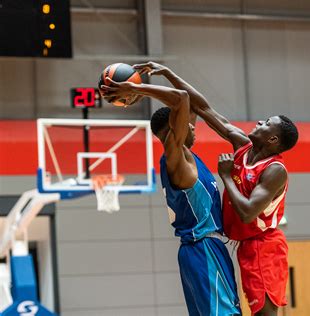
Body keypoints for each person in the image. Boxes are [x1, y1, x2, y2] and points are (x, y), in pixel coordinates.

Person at [135, 64, 299, 315]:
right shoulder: (243, 146)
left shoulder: (275, 170)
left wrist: (226, 177)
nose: (259, 121)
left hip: (264, 246)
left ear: (273, 140)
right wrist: (168, 73)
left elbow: (247, 213)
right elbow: (202, 107)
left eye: (266, 123)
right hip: (241, 244)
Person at [100, 72, 241, 316]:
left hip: (201, 249)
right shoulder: (174, 158)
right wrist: (135, 88)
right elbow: (181, 99)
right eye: (187, 124)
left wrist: (165, 72)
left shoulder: (186, 153)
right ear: (171, 130)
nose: (193, 126)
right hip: (203, 247)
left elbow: (192, 101)